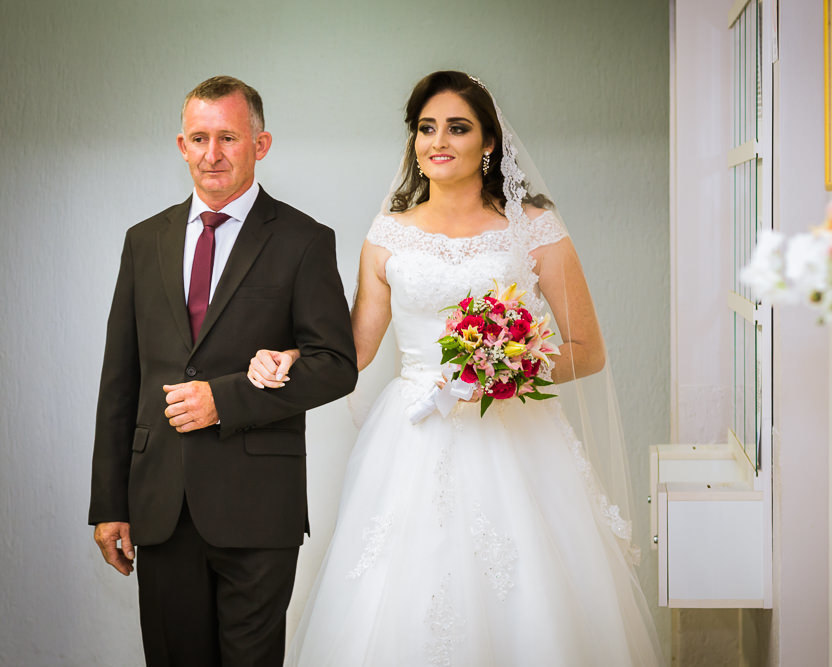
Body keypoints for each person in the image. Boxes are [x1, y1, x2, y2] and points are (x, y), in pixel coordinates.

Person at [249, 70, 663, 666]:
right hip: (411, 434)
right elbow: (355, 349)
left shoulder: (534, 228)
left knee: (527, 597)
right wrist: (291, 354)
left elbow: (587, 348)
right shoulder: (387, 234)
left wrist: (503, 372)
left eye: (458, 128)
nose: (438, 141)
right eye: (426, 128)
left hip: (512, 433)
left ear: (489, 143)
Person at [88, 75, 358, 666]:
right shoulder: (144, 241)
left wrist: (226, 399)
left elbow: (336, 365)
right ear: (181, 145)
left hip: (258, 508)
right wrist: (109, 502)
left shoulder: (304, 240)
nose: (212, 155)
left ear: (259, 145)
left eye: (229, 138)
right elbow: (120, 380)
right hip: (159, 502)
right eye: (199, 138)